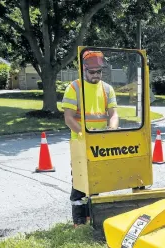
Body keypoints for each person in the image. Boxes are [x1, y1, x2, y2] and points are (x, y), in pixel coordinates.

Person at [62, 50, 119, 227]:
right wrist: (85, 135)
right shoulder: (74, 88)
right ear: (84, 70)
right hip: (80, 143)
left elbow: (114, 114)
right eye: (92, 72)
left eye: (99, 72)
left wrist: (111, 130)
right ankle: (79, 221)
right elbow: (69, 118)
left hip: (100, 144)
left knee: (96, 180)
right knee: (80, 182)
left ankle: (92, 219)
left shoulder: (107, 89)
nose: (96, 75)